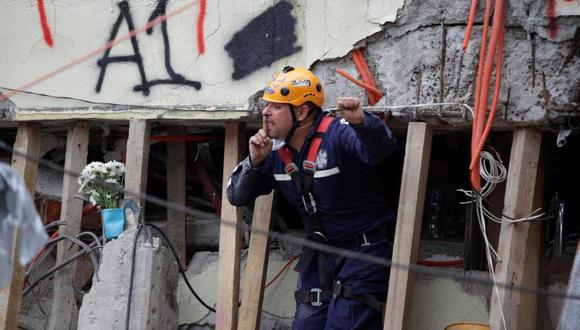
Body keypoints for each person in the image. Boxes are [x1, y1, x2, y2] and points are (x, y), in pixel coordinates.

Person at [227, 66, 397, 329]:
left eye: (276, 106)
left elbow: (381, 150)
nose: (265, 112)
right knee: (306, 324)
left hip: (366, 250)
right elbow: (236, 195)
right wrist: (255, 161)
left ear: (302, 111)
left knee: (345, 322)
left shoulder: (339, 134)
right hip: (322, 253)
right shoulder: (273, 152)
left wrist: (362, 122)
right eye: (266, 105)